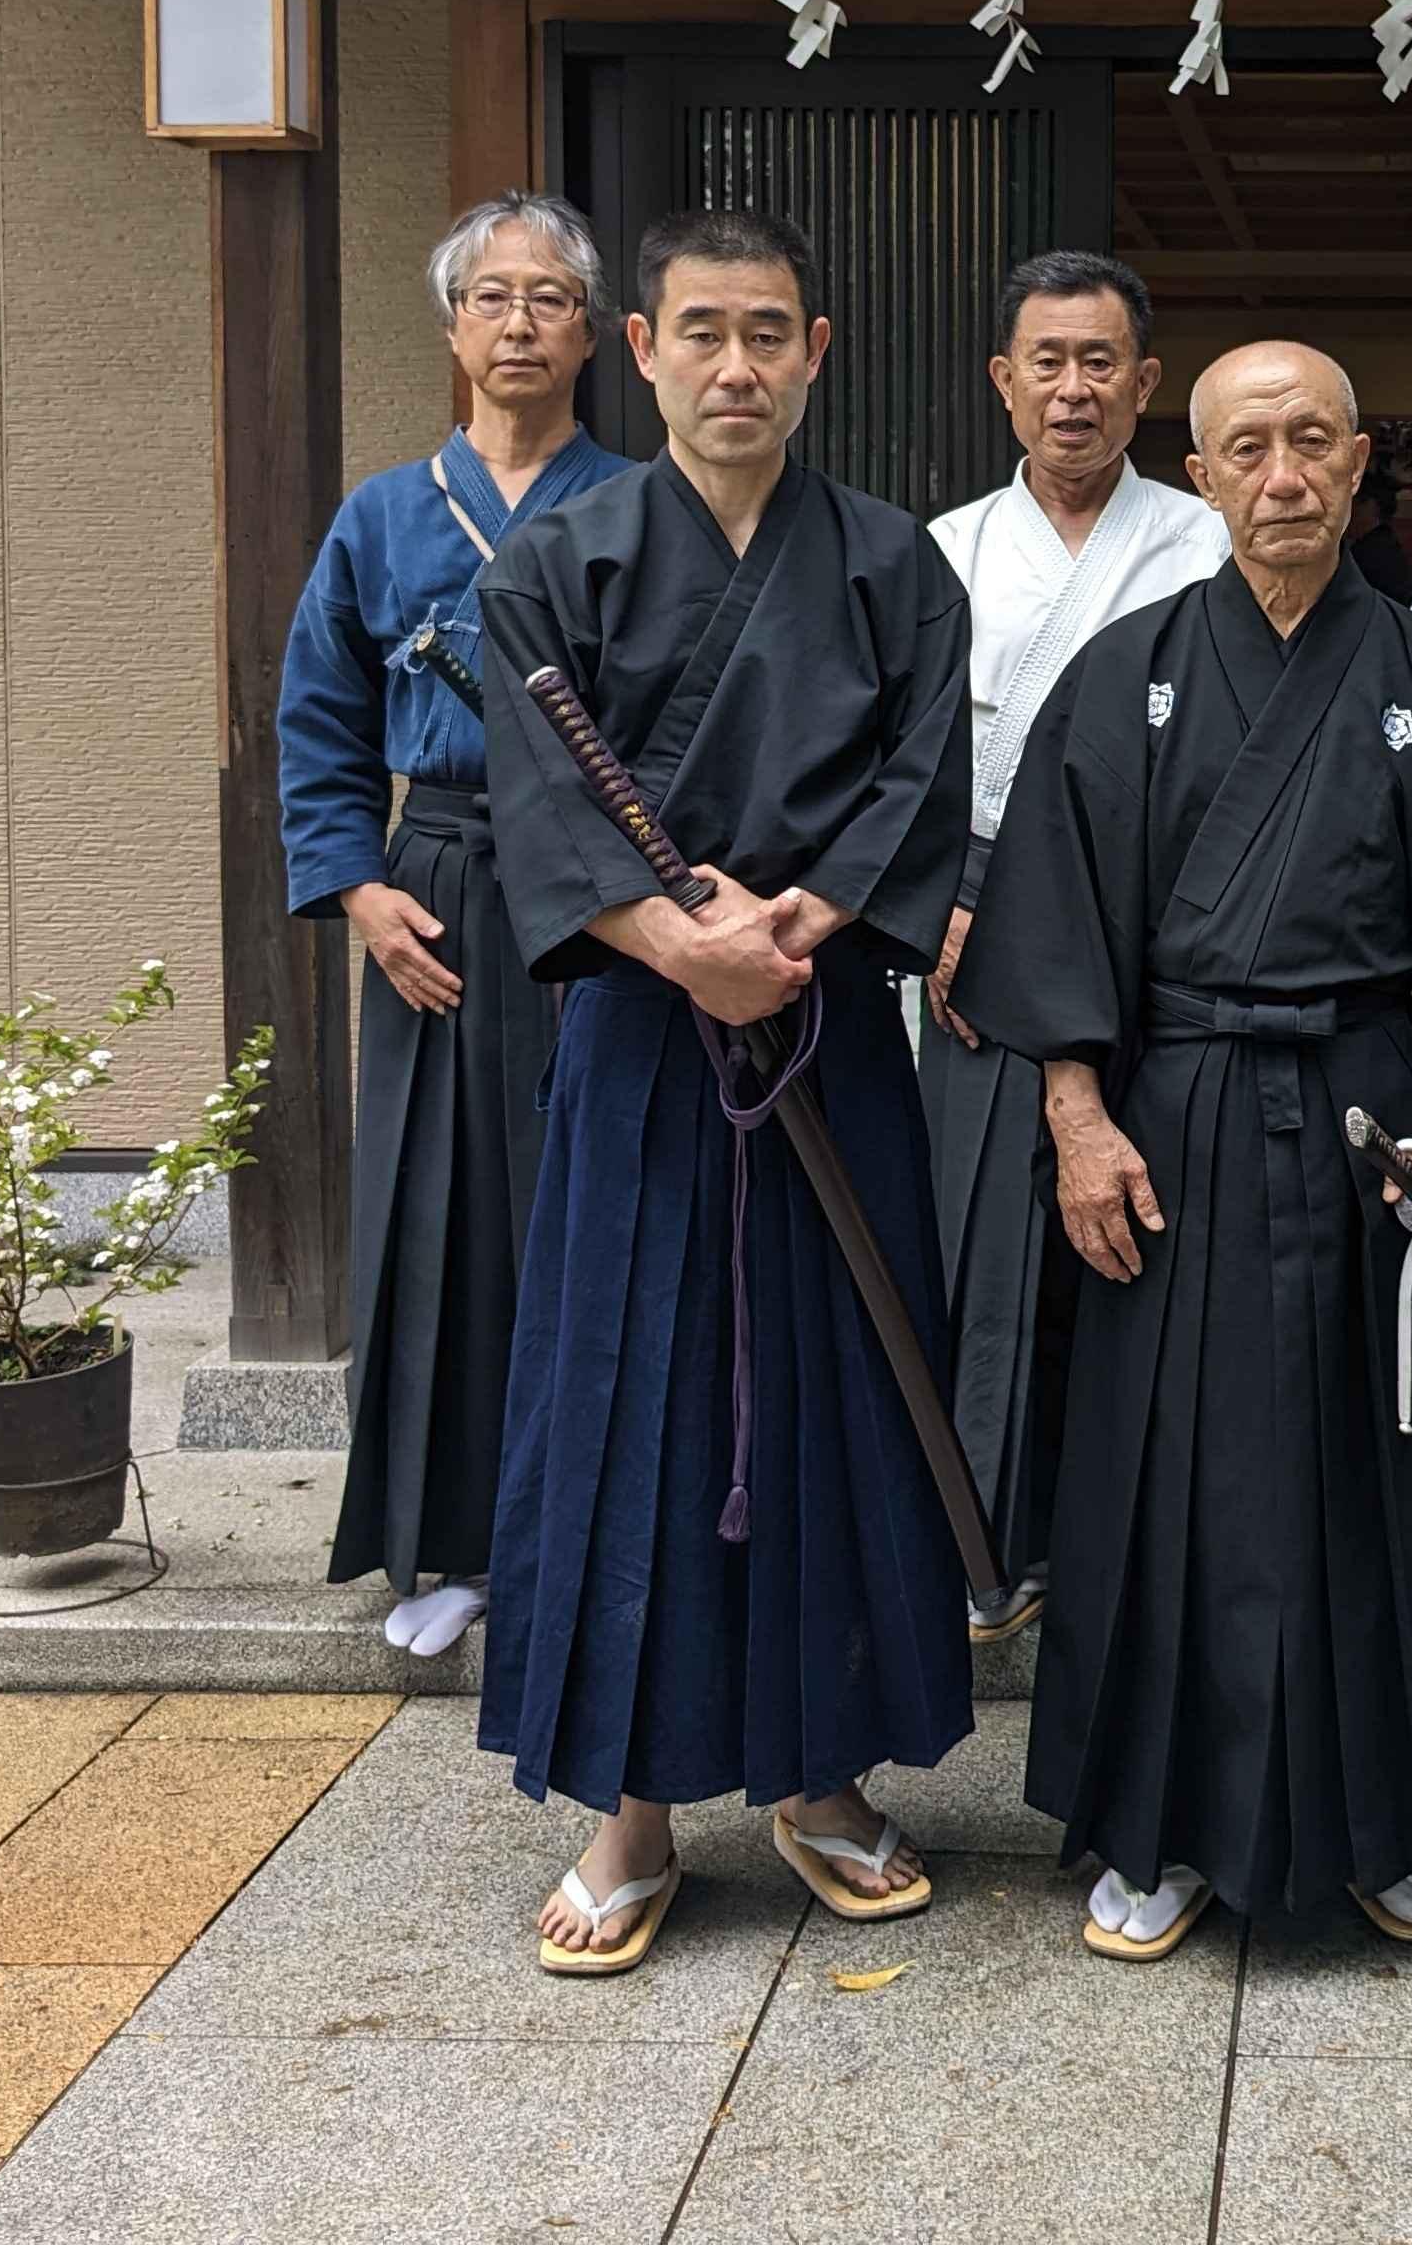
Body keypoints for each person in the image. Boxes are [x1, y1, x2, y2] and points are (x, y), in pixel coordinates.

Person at [955, 340, 1412, 1960]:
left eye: (1313, 442)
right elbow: (1054, 925)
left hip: (1376, 1113)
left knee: (1389, 1471)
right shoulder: (1128, 667)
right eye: (1249, 446)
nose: (1283, 473)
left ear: (1360, 465)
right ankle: (1159, 1826)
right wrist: (1077, 1119)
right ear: (1205, 471)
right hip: (1176, 1118)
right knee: (1166, 1480)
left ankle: (1400, 1819)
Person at [475, 206, 978, 1972]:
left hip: (825, 1023)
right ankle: (630, 1803)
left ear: (817, 348)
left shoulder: (896, 562)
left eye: (769, 330)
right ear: (643, 348)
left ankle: (822, 1770)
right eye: (703, 330)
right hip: (641, 1029)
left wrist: (810, 913)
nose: (736, 363)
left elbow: (926, 768)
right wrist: (678, 940)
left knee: (841, 1388)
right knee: (637, 1400)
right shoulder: (556, 559)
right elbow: (534, 803)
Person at [277, 196, 635, 1662]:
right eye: (493, 298)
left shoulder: (639, 499)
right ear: (452, 329)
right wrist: (361, 890)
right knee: (439, 1213)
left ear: (598, 334)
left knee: (587, 1198)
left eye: (550, 299)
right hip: (438, 872)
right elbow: (320, 717)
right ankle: (450, 1544)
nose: (520, 324)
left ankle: (591, 1523)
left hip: (602, 885)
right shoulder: (381, 513)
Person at [922, 251, 1226, 1643]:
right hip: (977, 921)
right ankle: (985, 1540)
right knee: (984, 1244)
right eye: (1046, 361)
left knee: (1141, 1240)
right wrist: (932, 907)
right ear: (1003, 380)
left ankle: (1127, 1543)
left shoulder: (1208, 538)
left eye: (1101, 361)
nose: (1074, 389)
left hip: (1163, 928)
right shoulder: (944, 553)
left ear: (1147, 384)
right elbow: (907, 766)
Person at [1344, 468, 1412, 600]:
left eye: (1358, 503)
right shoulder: (1381, 543)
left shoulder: (1374, 550)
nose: (1351, 511)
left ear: (1373, 506)